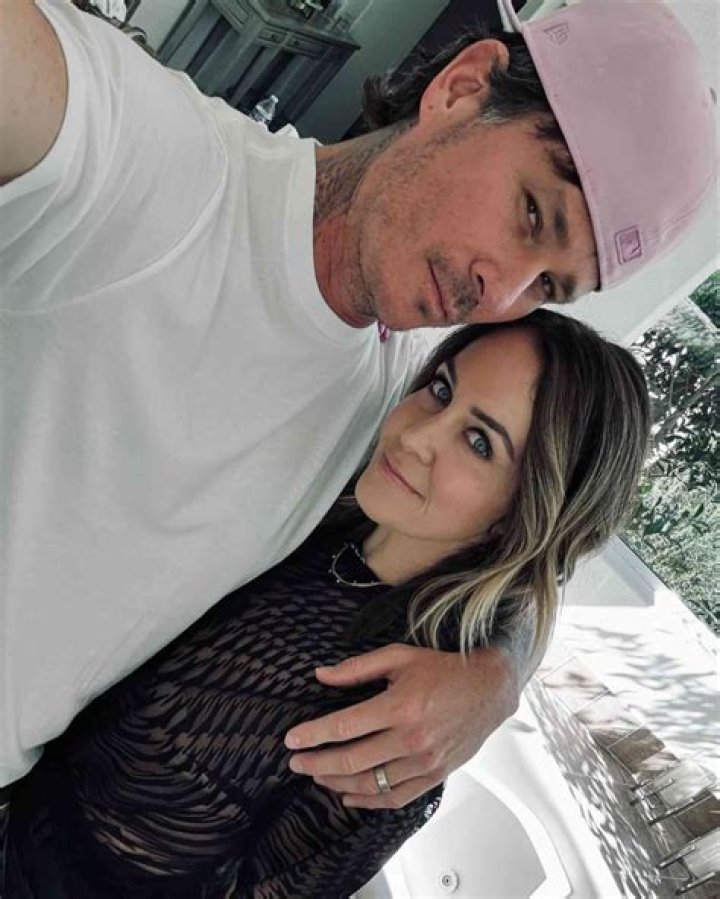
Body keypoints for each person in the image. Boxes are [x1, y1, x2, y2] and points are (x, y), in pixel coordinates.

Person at [0, 0, 714, 829]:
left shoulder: (405, 393)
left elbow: (531, 533)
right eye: (530, 214)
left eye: (549, 286)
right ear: (462, 88)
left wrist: (498, 678)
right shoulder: (153, 159)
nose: (500, 296)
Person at [4, 311, 651, 898]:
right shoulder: (320, 496)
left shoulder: (400, 725)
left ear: (522, 516)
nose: (417, 434)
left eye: (479, 442)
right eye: (442, 390)